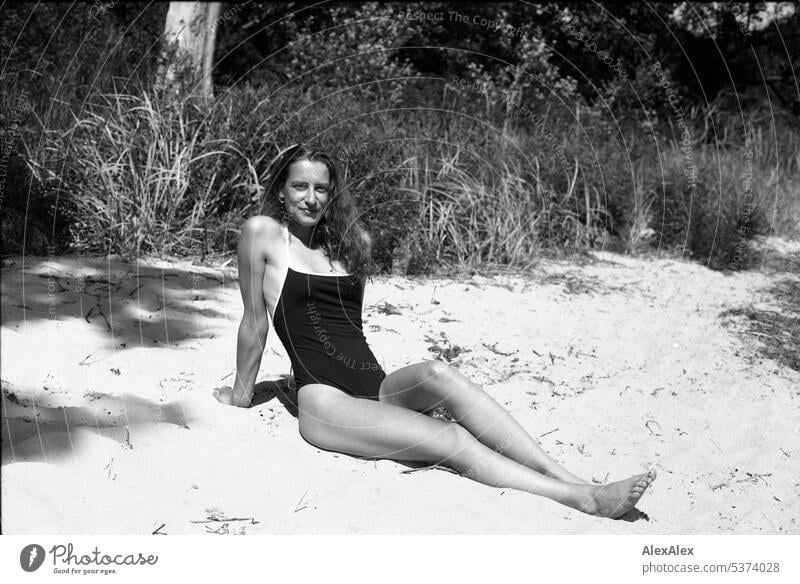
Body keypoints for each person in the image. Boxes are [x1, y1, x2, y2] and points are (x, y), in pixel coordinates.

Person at [214, 144, 656, 519]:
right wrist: (241, 395)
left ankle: (569, 475)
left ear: (333, 194)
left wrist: (392, 398)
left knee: (440, 374)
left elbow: (349, 329)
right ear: (281, 189)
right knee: (451, 438)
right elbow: (255, 322)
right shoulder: (263, 234)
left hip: (378, 385)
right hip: (325, 400)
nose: (311, 198)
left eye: (322, 188)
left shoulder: (354, 243)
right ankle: (583, 498)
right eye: (300, 186)